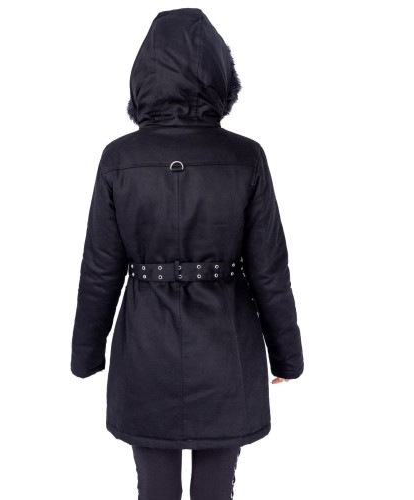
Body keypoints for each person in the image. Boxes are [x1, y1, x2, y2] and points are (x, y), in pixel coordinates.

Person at [71, 7, 304, 500]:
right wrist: (287, 355)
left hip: (146, 347)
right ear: (220, 75)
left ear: (143, 75)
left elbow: (100, 269)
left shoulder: (119, 158)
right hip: (225, 346)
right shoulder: (245, 156)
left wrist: (87, 354)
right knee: (217, 489)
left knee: (154, 488)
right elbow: (269, 269)